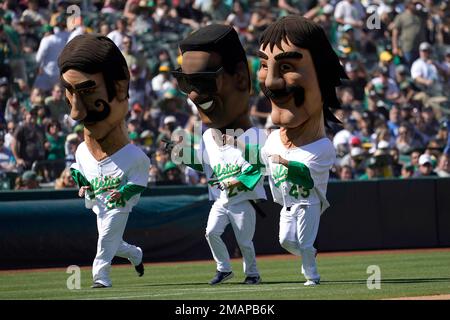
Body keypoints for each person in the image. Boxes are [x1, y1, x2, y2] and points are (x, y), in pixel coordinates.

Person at [171, 24, 267, 285]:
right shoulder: (207, 137)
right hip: (222, 199)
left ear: (241, 79)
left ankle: (253, 274)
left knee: (244, 241)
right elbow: (205, 166)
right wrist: (182, 155)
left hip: (242, 200)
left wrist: (238, 177)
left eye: (204, 79)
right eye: (187, 81)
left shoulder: (255, 135)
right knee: (211, 232)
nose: (194, 94)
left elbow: (259, 166)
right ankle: (224, 268)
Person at [255, 16, 345, 286]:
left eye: (286, 66)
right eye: (262, 65)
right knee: (286, 241)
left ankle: (312, 276)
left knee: (303, 241)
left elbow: (306, 177)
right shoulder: (271, 141)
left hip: (308, 202)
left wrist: (285, 162)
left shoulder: (323, 145)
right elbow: (258, 169)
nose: (271, 82)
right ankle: (310, 255)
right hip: (288, 204)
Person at [58, 34, 150, 288]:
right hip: (99, 203)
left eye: (87, 90)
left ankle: (101, 277)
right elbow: (78, 170)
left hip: (118, 205)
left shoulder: (135, 155)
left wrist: (121, 193)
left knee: (106, 240)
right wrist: (83, 184)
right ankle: (135, 254)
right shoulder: (81, 150)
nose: (77, 111)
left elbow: (139, 182)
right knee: (114, 242)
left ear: (120, 87)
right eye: (70, 90)